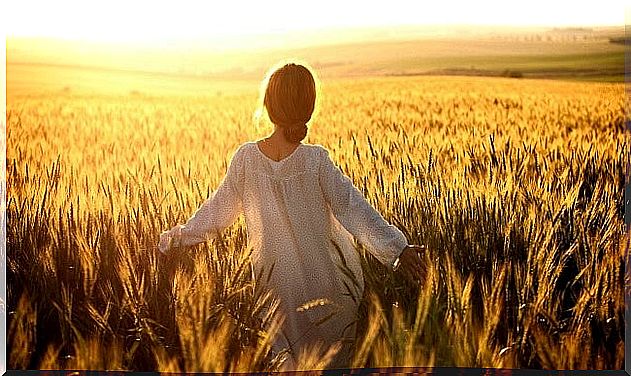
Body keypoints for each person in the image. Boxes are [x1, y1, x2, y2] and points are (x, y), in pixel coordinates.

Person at [158, 61, 426, 370]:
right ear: (308, 108)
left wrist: (174, 239)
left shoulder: (246, 159)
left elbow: (215, 214)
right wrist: (397, 249)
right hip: (330, 289)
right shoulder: (316, 161)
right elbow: (355, 210)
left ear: (269, 105)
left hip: (275, 294)